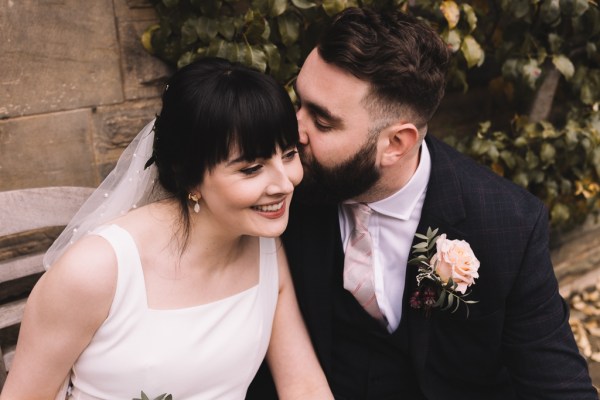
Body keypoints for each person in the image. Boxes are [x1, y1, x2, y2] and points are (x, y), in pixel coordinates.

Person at [247, 7, 597, 400]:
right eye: (299, 103)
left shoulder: (508, 224)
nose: (295, 131)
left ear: (397, 143)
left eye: (323, 122)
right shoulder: (279, 192)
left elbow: (559, 387)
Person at [1, 57, 333, 400]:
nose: (285, 183)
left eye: (289, 154)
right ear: (190, 176)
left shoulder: (265, 247)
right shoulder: (96, 271)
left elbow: (303, 385)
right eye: (251, 169)